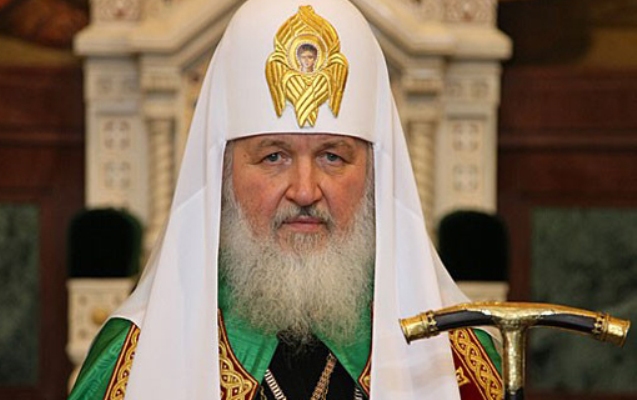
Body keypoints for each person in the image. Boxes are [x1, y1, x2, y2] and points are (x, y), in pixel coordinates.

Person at [68, 0, 503, 399]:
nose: (305, 191)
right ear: (224, 172)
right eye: (273, 157)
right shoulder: (135, 362)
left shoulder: (453, 360)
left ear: (374, 174)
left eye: (333, 157)